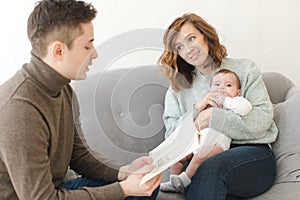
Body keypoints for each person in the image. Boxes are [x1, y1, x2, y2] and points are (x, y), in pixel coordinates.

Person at [0, 0, 161, 199]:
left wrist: (125, 172)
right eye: (87, 46)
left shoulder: (64, 89)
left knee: (146, 185)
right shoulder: (19, 109)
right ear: (58, 51)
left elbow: (80, 156)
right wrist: (124, 189)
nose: (94, 54)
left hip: (54, 191)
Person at [159, 13, 278, 199]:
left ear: (205, 36)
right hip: (201, 158)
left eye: (191, 39)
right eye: (180, 47)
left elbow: (261, 120)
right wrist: (198, 114)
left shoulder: (245, 69)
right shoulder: (177, 89)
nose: (188, 49)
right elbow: (172, 137)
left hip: (252, 153)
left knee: (210, 167)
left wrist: (212, 119)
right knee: (204, 171)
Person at [160, 69, 252, 193]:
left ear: (237, 92)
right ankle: (174, 182)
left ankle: (184, 180)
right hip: (197, 141)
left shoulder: (235, 102)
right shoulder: (208, 103)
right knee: (177, 155)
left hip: (216, 144)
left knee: (199, 158)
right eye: (217, 85)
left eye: (228, 85)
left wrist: (226, 101)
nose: (222, 88)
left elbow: (245, 109)